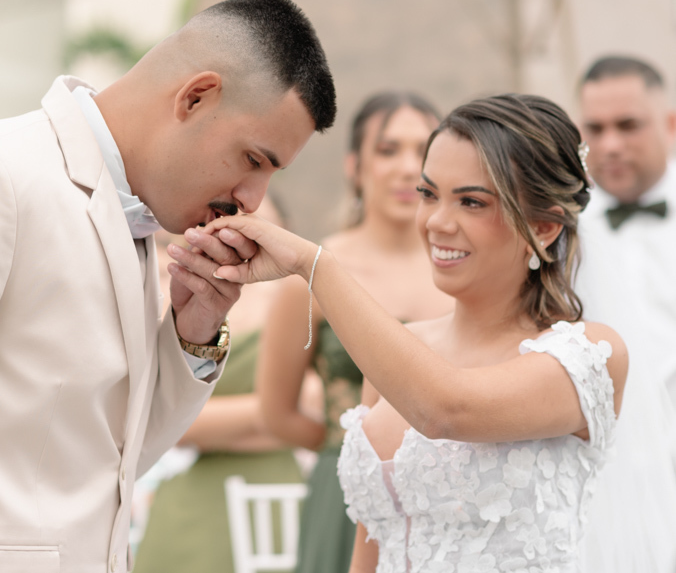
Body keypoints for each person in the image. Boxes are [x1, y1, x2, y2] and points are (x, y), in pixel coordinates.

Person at [0, 0, 336, 573]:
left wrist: (191, 332)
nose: (253, 201)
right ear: (195, 97)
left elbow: (112, 459)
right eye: (254, 160)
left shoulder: (137, 222)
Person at [190, 93, 628, 572]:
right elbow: (370, 550)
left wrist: (314, 267)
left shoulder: (588, 357)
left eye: (471, 202)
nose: (437, 222)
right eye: (428, 194)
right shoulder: (404, 350)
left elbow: (445, 410)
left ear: (544, 227)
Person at [253, 92, 454, 573]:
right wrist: (347, 453)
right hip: (345, 499)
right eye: (388, 150)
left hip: (451, 497)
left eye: (423, 152)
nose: (409, 168)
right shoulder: (313, 270)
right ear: (354, 166)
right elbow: (277, 412)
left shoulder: (466, 272)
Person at [133, 194, 307, 573]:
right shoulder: (174, 291)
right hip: (189, 490)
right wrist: (277, 415)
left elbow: (320, 404)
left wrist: (212, 423)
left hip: (283, 492)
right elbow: (155, 415)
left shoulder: (299, 300)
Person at [574, 55, 676, 573]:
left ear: (670, 124)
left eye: (628, 126)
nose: (610, 144)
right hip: (602, 495)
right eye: (596, 129)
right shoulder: (558, 233)